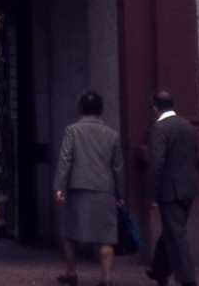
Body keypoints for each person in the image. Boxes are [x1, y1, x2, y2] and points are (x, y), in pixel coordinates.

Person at [53, 90, 125, 286]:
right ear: (101, 110)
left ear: (81, 108)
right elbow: (117, 167)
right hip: (104, 189)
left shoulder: (72, 131)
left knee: (71, 233)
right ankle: (106, 278)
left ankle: (71, 272)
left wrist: (60, 186)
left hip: (78, 188)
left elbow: (66, 159)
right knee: (106, 236)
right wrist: (120, 193)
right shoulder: (112, 135)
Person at [144, 89, 199, 286]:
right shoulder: (188, 126)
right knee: (173, 230)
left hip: (170, 191)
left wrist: (152, 194)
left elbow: (156, 164)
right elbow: (194, 155)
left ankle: (187, 280)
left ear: (155, 108)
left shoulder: (159, 129)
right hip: (189, 187)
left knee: (176, 236)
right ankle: (159, 269)